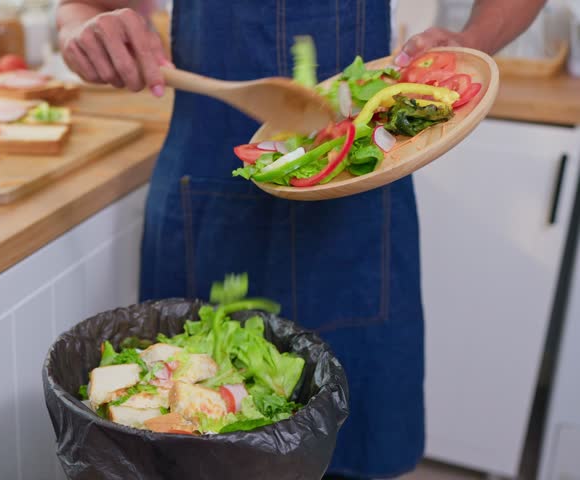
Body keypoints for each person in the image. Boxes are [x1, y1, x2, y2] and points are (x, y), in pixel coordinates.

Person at [57, 1, 547, 478]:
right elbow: (85, 8)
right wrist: (87, 29)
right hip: (206, 196)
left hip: (357, 198)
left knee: (353, 438)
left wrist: (471, 42)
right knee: (185, 435)